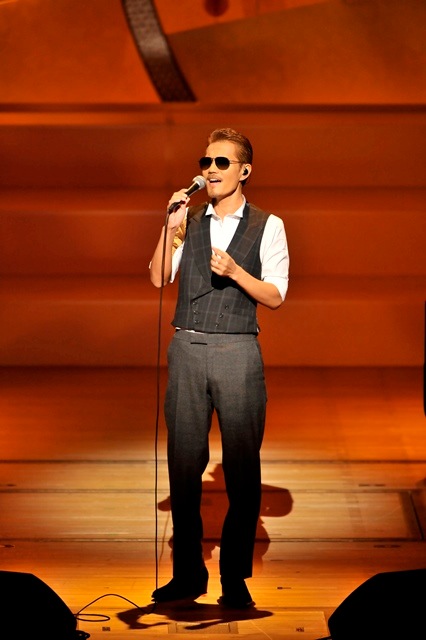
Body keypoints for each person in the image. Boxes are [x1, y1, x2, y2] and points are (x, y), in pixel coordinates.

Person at [149, 127, 289, 608]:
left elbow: (276, 295)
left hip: (237, 353)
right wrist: (169, 224)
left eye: (221, 162)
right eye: (206, 161)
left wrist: (235, 272)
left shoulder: (268, 225)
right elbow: (157, 277)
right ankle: (188, 573)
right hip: (187, 349)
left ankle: (234, 578)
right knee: (183, 466)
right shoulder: (188, 220)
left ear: (244, 171)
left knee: (243, 470)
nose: (210, 169)